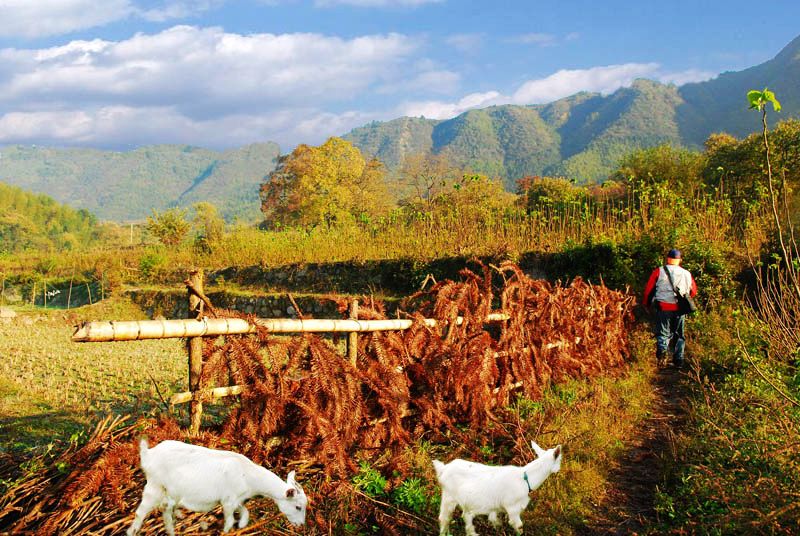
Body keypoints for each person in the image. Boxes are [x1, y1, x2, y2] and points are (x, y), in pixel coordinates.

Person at [643, 249, 698, 368]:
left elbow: (649, 291)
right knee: (679, 334)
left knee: (663, 334)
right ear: (680, 260)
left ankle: (662, 357)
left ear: (667, 259)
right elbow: (693, 291)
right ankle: (678, 360)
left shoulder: (659, 271)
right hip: (680, 309)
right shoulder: (686, 273)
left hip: (663, 307)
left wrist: (646, 304)